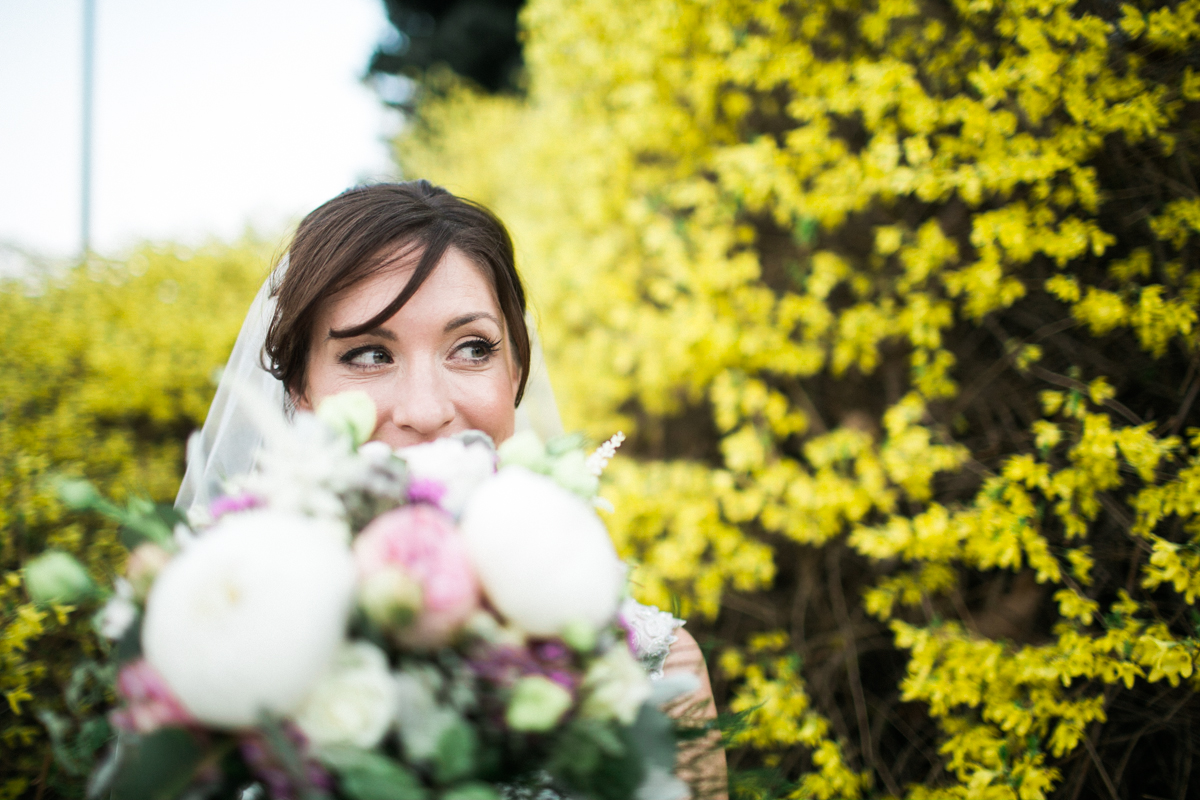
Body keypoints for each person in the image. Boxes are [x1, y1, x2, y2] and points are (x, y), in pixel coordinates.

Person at [177, 180, 726, 795]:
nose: (427, 409)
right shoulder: (208, 654)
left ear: (515, 372)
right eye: (367, 354)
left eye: (471, 348)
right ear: (300, 393)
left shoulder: (651, 669)